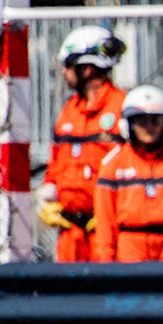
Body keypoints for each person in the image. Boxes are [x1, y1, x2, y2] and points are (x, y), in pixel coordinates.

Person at [38, 26, 127, 264]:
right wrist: (48, 193)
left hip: (107, 231)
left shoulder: (121, 108)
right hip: (70, 234)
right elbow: (57, 162)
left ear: (86, 69)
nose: (64, 72)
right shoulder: (69, 111)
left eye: (68, 66)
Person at [91, 86, 163, 263]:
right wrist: (106, 267)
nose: (149, 127)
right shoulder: (114, 166)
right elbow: (105, 228)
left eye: (156, 120)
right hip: (131, 247)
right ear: (128, 124)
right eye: (141, 121)